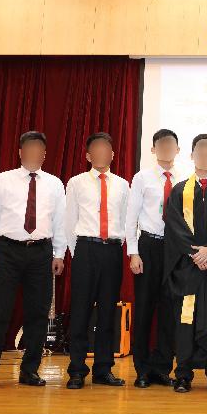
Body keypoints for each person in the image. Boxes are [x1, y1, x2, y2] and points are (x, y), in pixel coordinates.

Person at [0, 131, 67, 390]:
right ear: (21, 152)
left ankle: (29, 371)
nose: (35, 153)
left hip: (41, 253)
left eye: (40, 149)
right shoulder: (2, 180)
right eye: (30, 148)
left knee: (38, 315)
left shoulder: (55, 184)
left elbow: (60, 222)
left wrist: (59, 253)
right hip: (6, 251)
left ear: (45, 154)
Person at [163, 134, 207, 393]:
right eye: (199, 151)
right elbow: (174, 225)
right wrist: (195, 254)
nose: (204, 155)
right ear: (192, 156)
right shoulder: (180, 189)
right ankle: (183, 374)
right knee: (185, 322)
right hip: (187, 267)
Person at [64, 132, 129, 389]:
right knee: (80, 311)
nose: (102, 153)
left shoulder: (123, 185)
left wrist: (115, 246)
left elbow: (125, 221)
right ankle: (77, 370)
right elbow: (70, 221)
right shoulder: (76, 182)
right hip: (86, 250)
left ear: (112, 155)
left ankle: (103, 369)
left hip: (112, 251)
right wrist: (77, 252)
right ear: (89, 156)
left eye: (106, 149)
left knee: (106, 312)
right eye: (96, 149)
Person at [125, 129, 180, 388]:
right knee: (145, 309)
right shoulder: (142, 177)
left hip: (174, 249)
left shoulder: (184, 179)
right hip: (148, 246)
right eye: (162, 145)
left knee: (170, 312)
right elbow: (131, 216)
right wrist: (133, 252)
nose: (166, 149)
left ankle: (162, 367)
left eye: (171, 145)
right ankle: (142, 369)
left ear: (178, 150)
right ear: (153, 149)